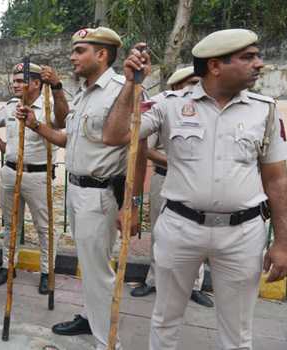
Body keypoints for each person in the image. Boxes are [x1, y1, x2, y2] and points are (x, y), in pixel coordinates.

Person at [103, 29, 287, 350]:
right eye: (248, 57)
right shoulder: (169, 105)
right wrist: (131, 84)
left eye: (257, 55)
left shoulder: (265, 109)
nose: (260, 64)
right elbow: (116, 135)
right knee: (166, 318)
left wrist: (283, 242)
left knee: (238, 331)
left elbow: (277, 179)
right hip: (180, 228)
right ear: (215, 66)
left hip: (243, 234)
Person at [15, 27, 144, 350]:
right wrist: (36, 125)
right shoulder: (85, 93)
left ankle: (107, 343)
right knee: (90, 264)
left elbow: (138, 149)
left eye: (80, 50)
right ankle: (90, 317)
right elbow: (68, 138)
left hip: (99, 193)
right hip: (77, 190)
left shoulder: (122, 89)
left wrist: (133, 203)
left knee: (99, 271)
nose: (72, 56)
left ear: (102, 54)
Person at [131, 67, 214, 308]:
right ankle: (153, 280)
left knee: (197, 232)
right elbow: (145, 148)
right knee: (159, 230)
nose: (196, 88)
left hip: (198, 182)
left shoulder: (209, 112)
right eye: (191, 83)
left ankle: (194, 286)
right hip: (165, 177)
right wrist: (176, 161)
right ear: (177, 86)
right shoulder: (165, 110)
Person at [0, 62, 68, 294]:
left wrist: (56, 87)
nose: (15, 84)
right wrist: (2, 145)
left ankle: (46, 272)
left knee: (45, 227)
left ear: (36, 83)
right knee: (11, 224)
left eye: (21, 80)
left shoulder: (49, 107)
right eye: (14, 80)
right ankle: (7, 266)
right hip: (11, 172)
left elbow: (62, 123)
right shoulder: (11, 105)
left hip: (38, 175)